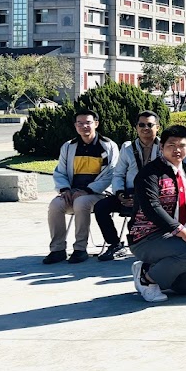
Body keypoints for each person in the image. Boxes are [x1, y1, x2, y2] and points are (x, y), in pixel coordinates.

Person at [127, 125, 186, 303]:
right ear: (161, 147)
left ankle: (150, 268)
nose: (177, 150)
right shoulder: (149, 174)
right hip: (148, 237)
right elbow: (152, 207)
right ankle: (147, 279)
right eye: (171, 145)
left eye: (182, 145)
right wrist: (181, 231)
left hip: (174, 237)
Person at [44, 110, 120, 264]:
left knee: (81, 202)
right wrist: (65, 189)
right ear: (75, 126)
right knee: (55, 205)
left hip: (98, 194)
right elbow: (60, 171)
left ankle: (80, 249)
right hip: (71, 193)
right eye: (80, 123)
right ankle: (57, 249)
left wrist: (87, 190)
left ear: (96, 124)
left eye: (88, 122)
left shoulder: (108, 146)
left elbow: (111, 173)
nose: (84, 126)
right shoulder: (69, 146)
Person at [94, 110, 160, 261]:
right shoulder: (127, 148)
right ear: (136, 127)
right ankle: (115, 244)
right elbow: (118, 174)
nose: (145, 128)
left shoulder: (164, 147)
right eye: (141, 124)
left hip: (154, 195)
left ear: (158, 127)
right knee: (101, 207)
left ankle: (145, 246)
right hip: (129, 193)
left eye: (150, 125)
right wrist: (120, 194)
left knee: (137, 218)